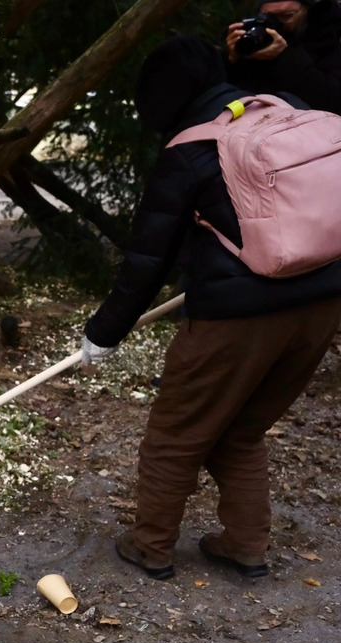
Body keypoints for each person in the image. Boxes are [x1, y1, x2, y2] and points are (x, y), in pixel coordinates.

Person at [82, 36, 341, 581]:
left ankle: (149, 544)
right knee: (241, 431)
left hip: (236, 319)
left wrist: (104, 332)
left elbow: (147, 259)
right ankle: (246, 546)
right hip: (321, 304)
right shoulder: (283, 107)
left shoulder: (191, 151)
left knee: (176, 433)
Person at [225, 0, 341, 113]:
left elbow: (331, 101)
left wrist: (286, 56)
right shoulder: (258, 37)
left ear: (307, 10)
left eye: (286, 16)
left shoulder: (332, 39)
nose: (277, 23)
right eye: (269, 16)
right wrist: (233, 59)